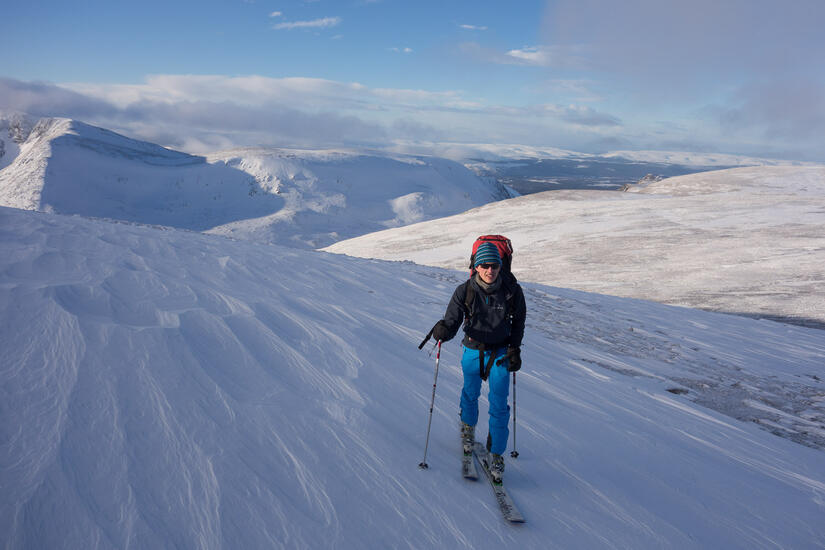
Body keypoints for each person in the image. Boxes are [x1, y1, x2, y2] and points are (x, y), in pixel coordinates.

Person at [428, 241, 526, 482]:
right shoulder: (465, 290)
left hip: (501, 353)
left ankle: (496, 454)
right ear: (476, 266)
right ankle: (468, 430)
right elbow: (453, 320)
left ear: (500, 266)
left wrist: (515, 349)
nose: (490, 270)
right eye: (484, 265)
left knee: (499, 405)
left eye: (494, 265)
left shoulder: (512, 291)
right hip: (472, 349)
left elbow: (518, 324)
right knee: (470, 393)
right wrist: (444, 331)